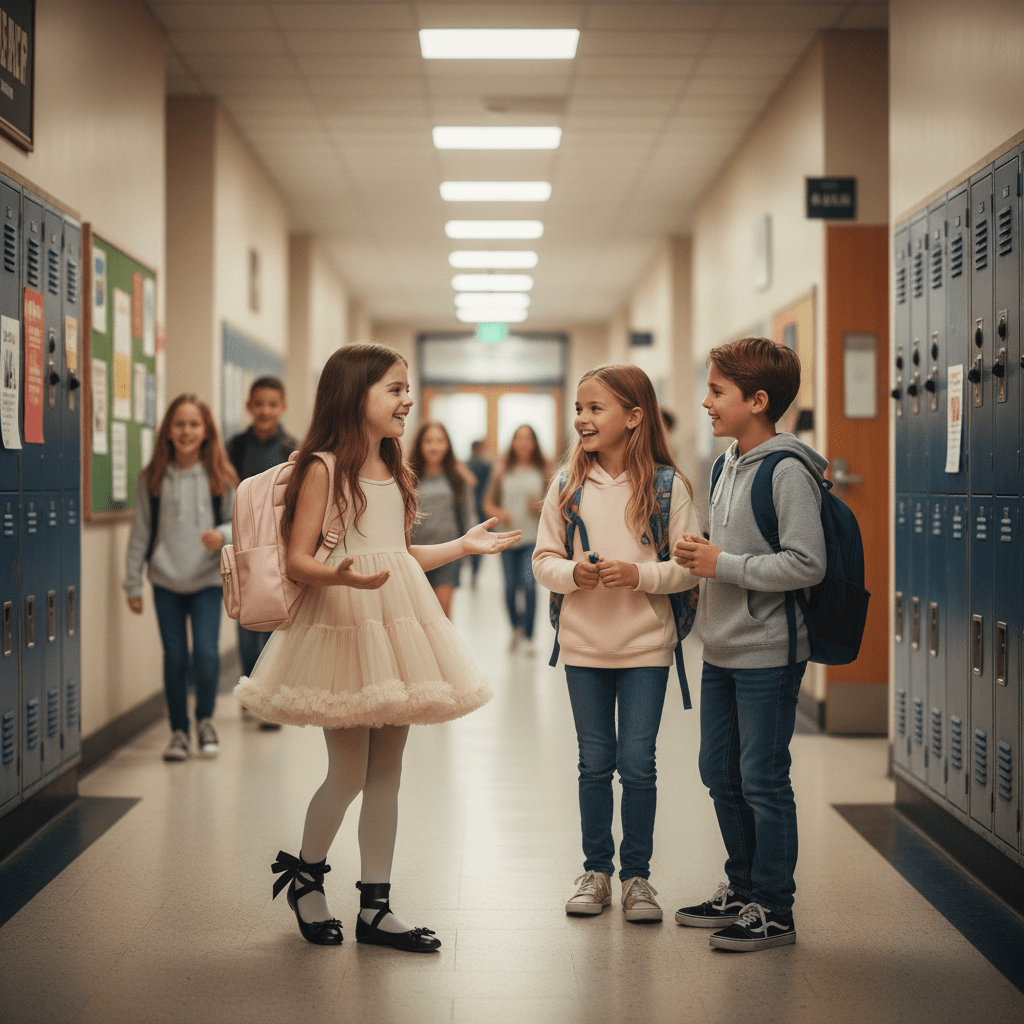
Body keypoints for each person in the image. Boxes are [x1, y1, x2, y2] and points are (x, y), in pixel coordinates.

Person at [233, 344, 520, 952]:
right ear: (354, 394)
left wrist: (462, 547)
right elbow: (300, 559)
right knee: (348, 773)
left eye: (406, 388)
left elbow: (398, 553)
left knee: (387, 775)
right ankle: (306, 878)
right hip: (344, 626)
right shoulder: (323, 468)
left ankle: (376, 908)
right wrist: (342, 577)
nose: (406, 400)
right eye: (394, 389)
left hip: (397, 624)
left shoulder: (394, 468)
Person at [673, 337, 826, 952]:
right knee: (720, 771)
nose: (704, 402)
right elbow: (728, 553)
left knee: (762, 777)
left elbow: (806, 563)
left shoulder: (788, 471)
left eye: (716, 391)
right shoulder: (725, 463)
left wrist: (723, 564)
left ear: (757, 400)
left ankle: (775, 908)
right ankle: (741, 889)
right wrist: (699, 559)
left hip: (768, 650)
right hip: (722, 647)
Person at [532, 364, 699, 923]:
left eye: (594, 408)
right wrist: (571, 573)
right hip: (583, 645)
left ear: (633, 417)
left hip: (646, 646)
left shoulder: (669, 487)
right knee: (594, 762)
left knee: (639, 763)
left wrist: (641, 576)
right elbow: (543, 560)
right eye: (578, 408)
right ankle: (596, 871)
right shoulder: (567, 485)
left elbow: (688, 569)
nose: (581, 418)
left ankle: (638, 878)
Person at [124, 394, 237, 762]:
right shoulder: (152, 478)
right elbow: (141, 532)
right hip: (166, 581)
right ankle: (178, 732)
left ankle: (205, 720)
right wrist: (132, 582)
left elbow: (241, 525)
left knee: (205, 655)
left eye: (194, 424)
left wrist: (221, 533)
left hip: (206, 581)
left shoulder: (221, 476)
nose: (186, 431)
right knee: (174, 658)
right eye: (179, 424)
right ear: (168, 432)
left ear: (206, 432)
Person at [227, 375, 299, 730]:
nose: (265, 410)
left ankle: (270, 700)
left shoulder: (292, 447)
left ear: (282, 407)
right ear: (249, 406)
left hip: (279, 547)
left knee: (275, 624)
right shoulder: (236, 447)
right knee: (245, 627)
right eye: (259, 404)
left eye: (273, 404)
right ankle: (251, 689)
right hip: (244, 547)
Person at [483, 424, 547, 651]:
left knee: (529, 585)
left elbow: (554, 504)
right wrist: (499, 513)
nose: (523, 443)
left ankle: (529, 636)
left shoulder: (544, 470)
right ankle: (515, 628)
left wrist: (540, 507)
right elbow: (487, 503)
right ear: (512, 443)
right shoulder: (501, 470)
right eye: (518, 438)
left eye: (528, 438)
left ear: (534, 443)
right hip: (506, 539)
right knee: (510, 587)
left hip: (533, 540)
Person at [408, 422, 476, 619]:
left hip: (448, 553)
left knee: (443, 610)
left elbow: (468, 512)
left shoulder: (457, 478)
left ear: (447, 445)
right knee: (419, 615)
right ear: (420, 445)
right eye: (428, 441)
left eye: (440, 441)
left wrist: (470, 546)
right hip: (415, 554)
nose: (434, 446)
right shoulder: (408, 477)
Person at [465, 439, 493, 587]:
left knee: (467, 539)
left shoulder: (466, 464)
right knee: (480, 540)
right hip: (481, 508)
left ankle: (470, 569)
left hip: (468, 507)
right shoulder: (486, 465)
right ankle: (475, 573)